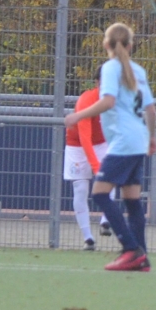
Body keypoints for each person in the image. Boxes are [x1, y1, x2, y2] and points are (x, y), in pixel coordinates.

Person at [64, 24, 156, 272]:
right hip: (138, 139)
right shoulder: (138, 70)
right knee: (132, 199)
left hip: (123, 141)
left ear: (106, 44)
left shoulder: (110, 68)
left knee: (99, 193)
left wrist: (78, 115)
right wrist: (151, 137)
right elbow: (151, 110)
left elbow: (107, 102)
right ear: (130, 45)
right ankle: (142, 256)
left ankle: (130, 248)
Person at [63, 87, 104, 250]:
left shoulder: (118, 96)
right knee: (80, 189)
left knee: (110, 178)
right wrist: (96, 166)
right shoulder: (87, 100)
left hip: (102, 142)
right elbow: (85, 138)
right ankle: (88, 238)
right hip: (77, 144)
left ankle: (106, 220)